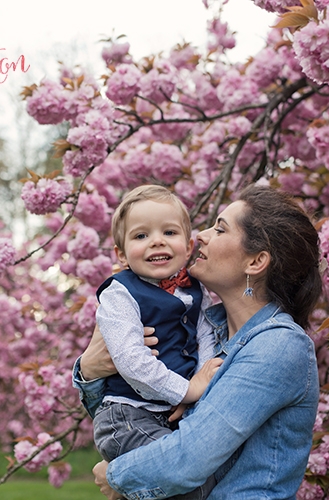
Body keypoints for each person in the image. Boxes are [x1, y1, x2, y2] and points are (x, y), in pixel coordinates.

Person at [73, 184, 323, 499]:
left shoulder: (278, 345)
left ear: (255, 262)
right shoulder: (207, 334)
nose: (200, 235)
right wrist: (91, 371)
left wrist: (115, 476)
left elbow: (188, 458)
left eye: (220, 229)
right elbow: (129, 412)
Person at [88, 185, 222, 499]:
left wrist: (201, 383)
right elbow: (131, 360)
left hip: (172, 412)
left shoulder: (195, 291)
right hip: (128, 415)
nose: (157, 240)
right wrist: (185, 390)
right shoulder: (119, 294)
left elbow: (205, 336)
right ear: (121, 254)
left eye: (169, 232)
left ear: (189, 246)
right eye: (140, 236)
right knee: (192, 483)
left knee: (198, 480)